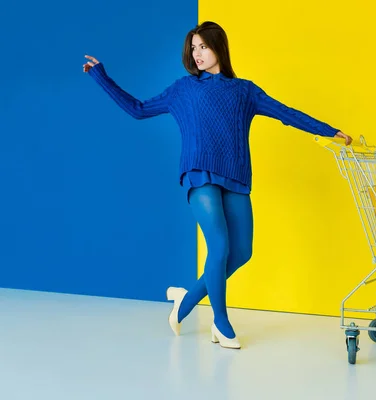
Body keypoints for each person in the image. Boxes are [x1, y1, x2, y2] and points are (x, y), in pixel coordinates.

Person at [83, 21, 352, 349]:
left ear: (218, 48)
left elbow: (285, 113)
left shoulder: (244, 91)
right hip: (199, 174)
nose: (197, 54)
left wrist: (327, 130)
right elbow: (138, 110)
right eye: (193, 48)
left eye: (203, 47)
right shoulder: (183, 89)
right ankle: (221, 323)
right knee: (220, 247)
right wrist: (101, 76)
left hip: (236, 176)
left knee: (242, 252)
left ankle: (185, 301)